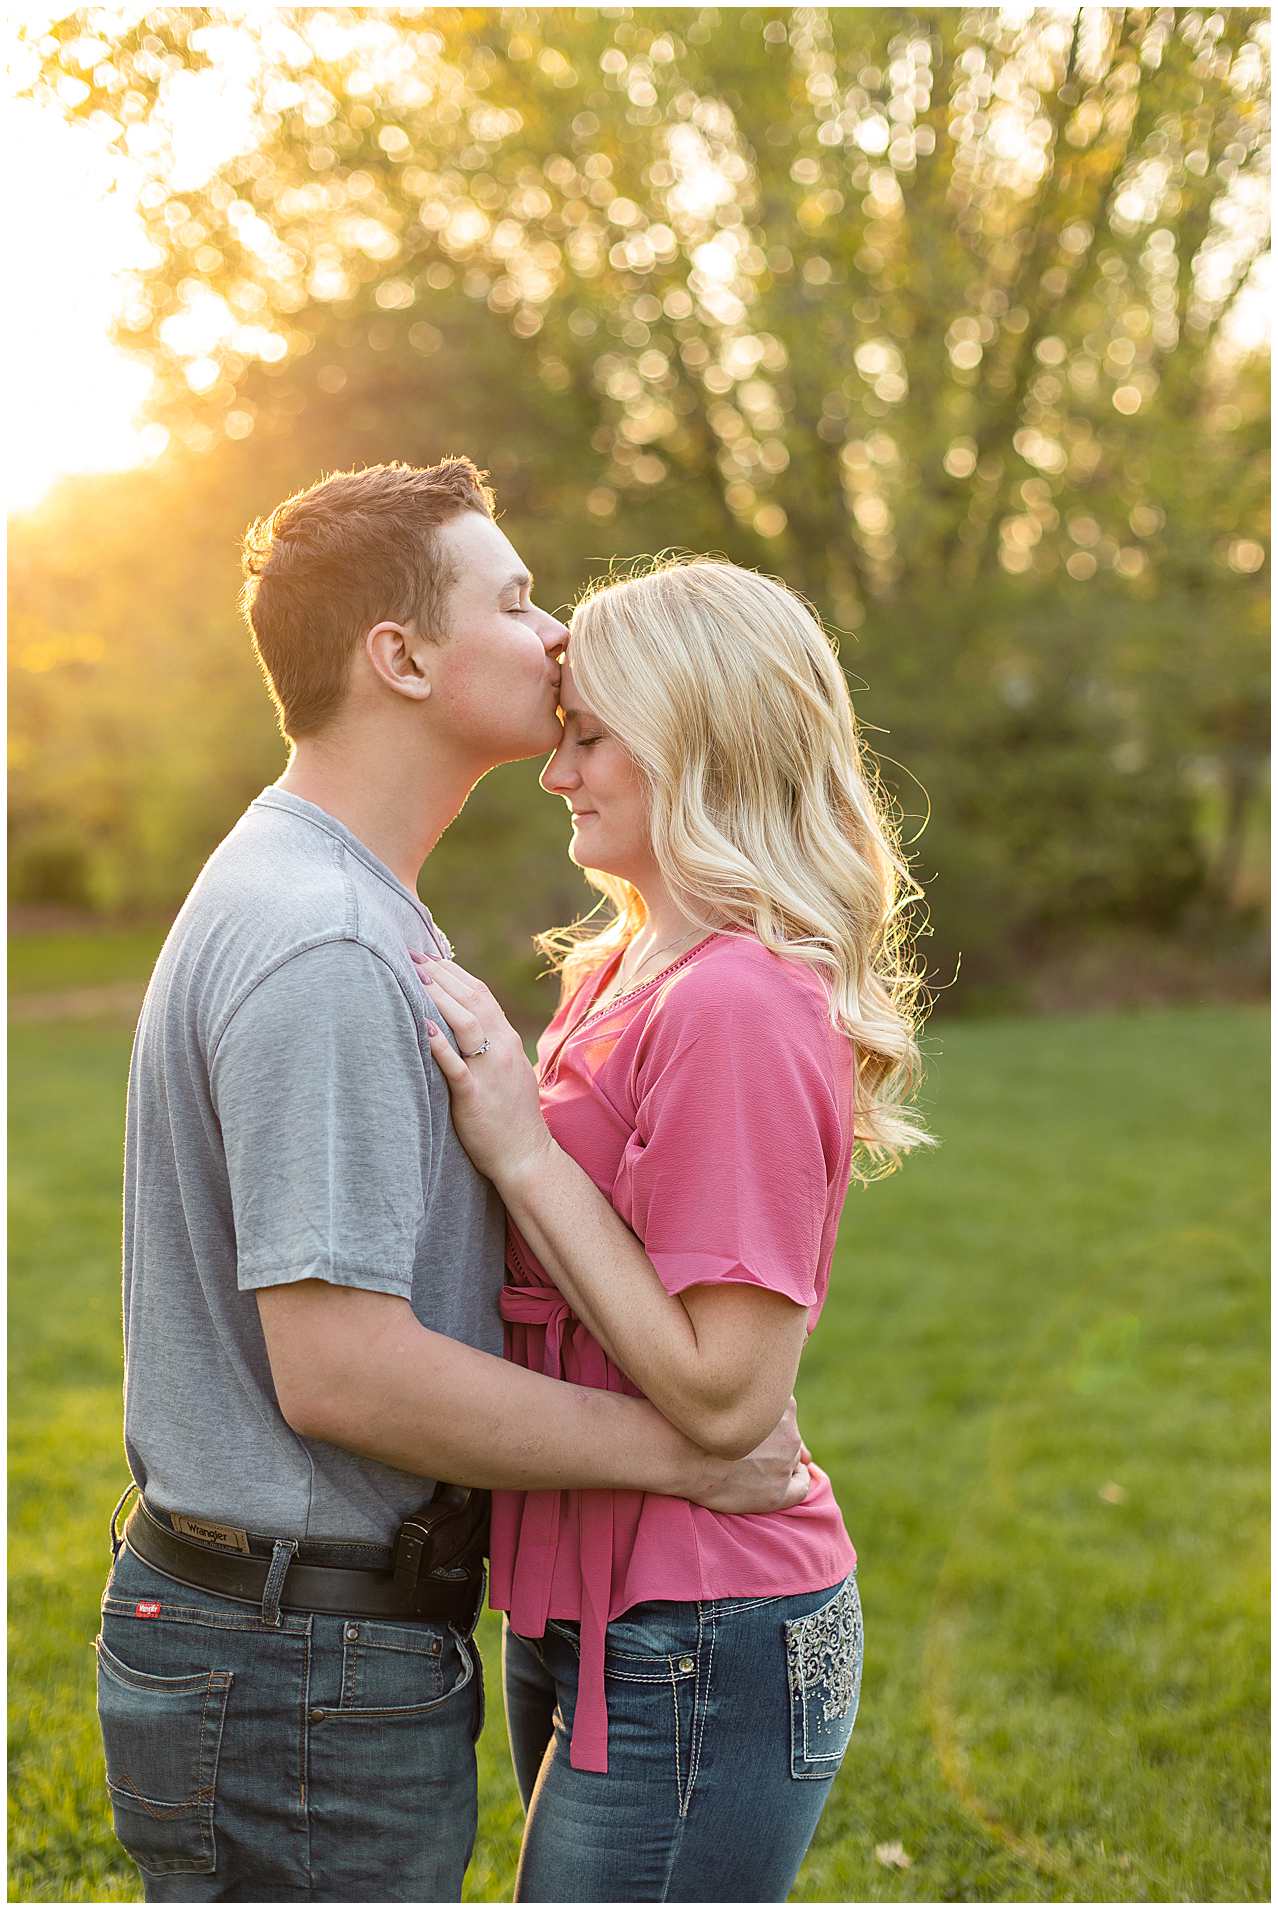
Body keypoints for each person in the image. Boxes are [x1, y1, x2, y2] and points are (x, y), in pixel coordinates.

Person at [96, 464, 811, 1904]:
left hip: (296, 1637)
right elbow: (345, 1374)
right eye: (516, 597)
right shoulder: (327, 941)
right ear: (400, 655)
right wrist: (684, 1454)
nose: (555, 636)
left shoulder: (327, 891)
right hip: (297, 1656)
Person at [413, 555, 934, 1903]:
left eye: (586, 735)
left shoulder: (738, 1002)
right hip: (603, 1603)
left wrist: (522, 1148)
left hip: (707, 1622)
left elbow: (725, 1388)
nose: (554, 769)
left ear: (691, 738)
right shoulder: (617, 966)